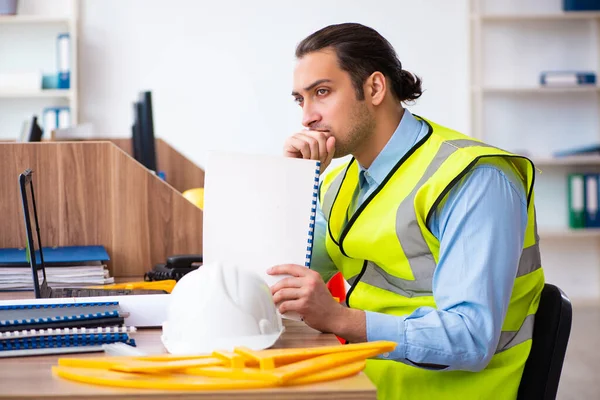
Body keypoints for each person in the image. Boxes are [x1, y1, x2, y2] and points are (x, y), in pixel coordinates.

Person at [267, 22, 545, 399]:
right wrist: (295, 182)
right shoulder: (341, 182)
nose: (307, 117)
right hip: (363, 379)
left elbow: (470, 338)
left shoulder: (474, 179)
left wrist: (339, 319)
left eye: (322, 92)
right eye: (301, 99)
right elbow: (280, 278)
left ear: (375, 88)